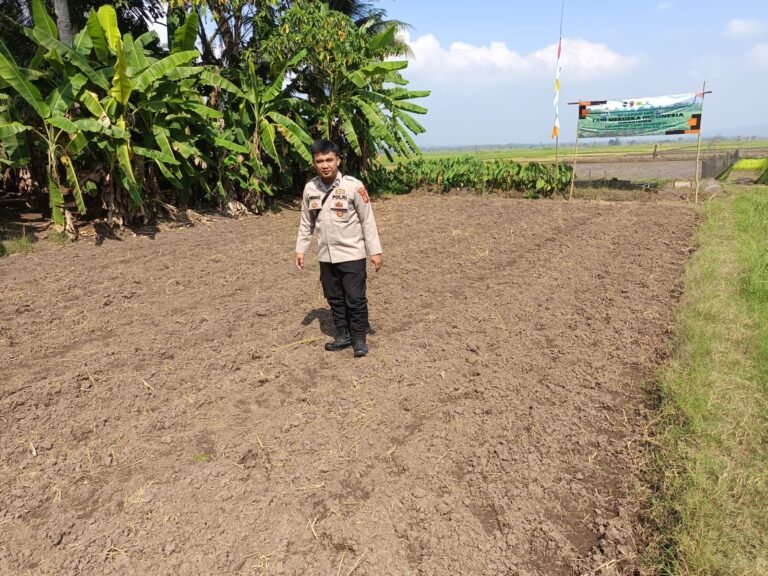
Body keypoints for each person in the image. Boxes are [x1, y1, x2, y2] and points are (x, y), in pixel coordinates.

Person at [295, 140, 383, 357]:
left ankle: (359, 339)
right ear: (314, 163)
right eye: (319, 161)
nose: (325, 165)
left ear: (338, 160)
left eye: (329, 160)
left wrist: (374, 251)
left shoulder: (353, 186)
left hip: (352, 253)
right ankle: (342, 336)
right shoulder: (310, 188)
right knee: (334, 298)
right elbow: (306, 222)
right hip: (326, 256)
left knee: (355, 298)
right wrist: (300, 249)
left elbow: (367, 220)